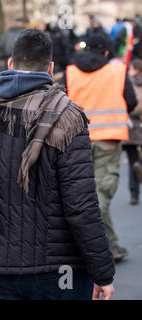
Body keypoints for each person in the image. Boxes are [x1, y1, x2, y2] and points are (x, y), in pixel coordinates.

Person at [0, 29, 116, 300]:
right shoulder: (67, 116)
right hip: (60, 270)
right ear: (51, 68)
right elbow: (81, 205)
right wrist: (103, 273)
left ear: (11, 64)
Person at [62, 34, 138, 261]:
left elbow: (59, 100)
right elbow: (131, 101)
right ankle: (91, 246)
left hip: (77, 141)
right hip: (108, 139)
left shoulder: (70, 72)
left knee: (85, 192)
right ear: (106, 52)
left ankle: (111, 245)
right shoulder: (118, 71)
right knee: (100, 195)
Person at [122, 59, 142, 204]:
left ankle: (134, 194)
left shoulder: (128, 83)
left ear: (136, 69)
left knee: (132, 161)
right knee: (137, 161)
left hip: (131, 126)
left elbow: (128, 103)